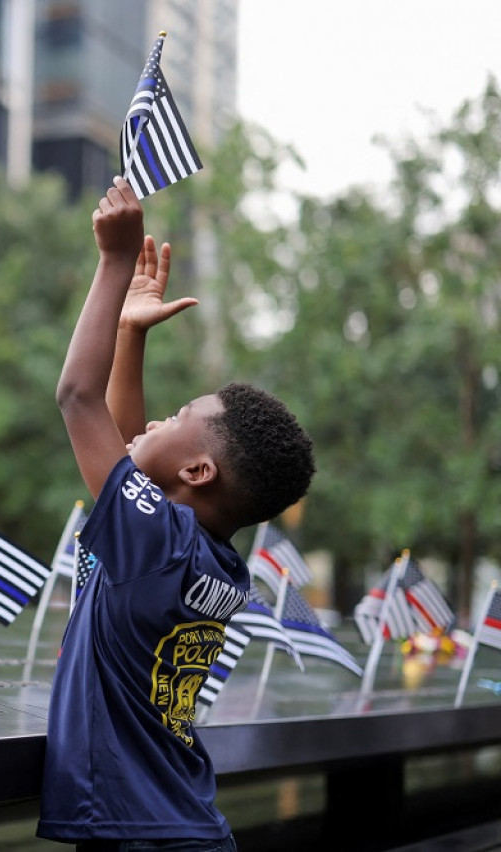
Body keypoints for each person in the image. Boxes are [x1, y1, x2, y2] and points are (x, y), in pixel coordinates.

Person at [37, 177, 315, 850]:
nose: (162, 416)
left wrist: (112, 262)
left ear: (197, 472)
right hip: (176, 823)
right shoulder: (211, 561)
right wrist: (130, 336)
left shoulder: (159, 546)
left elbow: (79, 398)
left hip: (142, 834)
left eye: (180, 417)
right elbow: (126, 465)